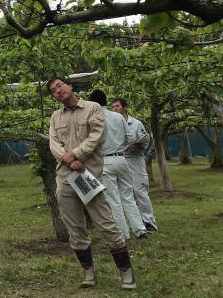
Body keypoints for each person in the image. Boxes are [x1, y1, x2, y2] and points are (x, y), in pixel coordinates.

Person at [47, 77, 137, 291]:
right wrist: (69, 159)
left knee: (105, 223)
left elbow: (97, 135)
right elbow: (53, 143)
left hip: (90, 177)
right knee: (74, 227)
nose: (58, 91)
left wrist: (76, 154)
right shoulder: (55, 116)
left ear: (70, 86)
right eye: (53, 90)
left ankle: (126, 274)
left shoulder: (93, 108)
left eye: (60, 86)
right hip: (66, 179)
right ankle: (88, 273)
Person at [88, 90, 147, 241]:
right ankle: (140, 229)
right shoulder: (118, 116)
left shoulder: (92, 118)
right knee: (128, 196)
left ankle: (124, 233)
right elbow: (130, 138)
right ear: (105, 101)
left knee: (113, 199)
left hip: (105, 161)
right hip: (122, 159)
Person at [112, 98, 158, 233]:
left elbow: (145, 141)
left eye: (117, 106)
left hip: (135, 160)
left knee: (140, 192)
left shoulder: (136, 124)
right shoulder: (112, 124)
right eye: (113, 107)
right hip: (120, 161)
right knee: (126, 194)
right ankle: (137, 224)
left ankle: (149, 223)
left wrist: (136, 145)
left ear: (125, 107)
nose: (115, 109)